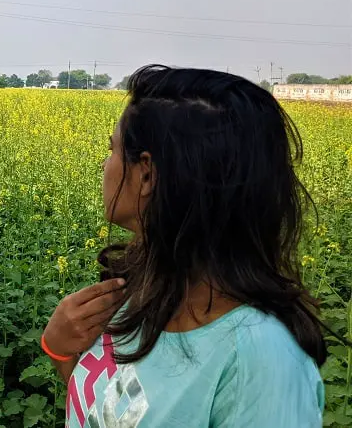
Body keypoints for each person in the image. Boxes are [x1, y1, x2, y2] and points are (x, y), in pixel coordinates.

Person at [42, 65, 326, 427]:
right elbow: (117, 415)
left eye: (111, 149)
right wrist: (59, 350)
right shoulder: (144, 291)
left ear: (146, 173)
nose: (104, 163)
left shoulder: (260, 362)